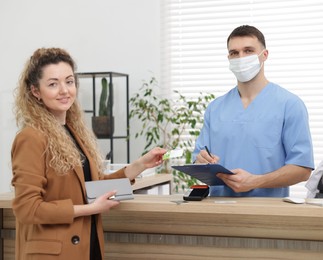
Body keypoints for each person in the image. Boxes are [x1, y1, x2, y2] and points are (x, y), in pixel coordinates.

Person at [11, 47, 167, 260]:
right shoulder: (31, 137)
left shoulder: (72, 133)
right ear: (35, 91)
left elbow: (92, 188)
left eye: (69, 81)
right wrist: (89, 209)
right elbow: (27, 209)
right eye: (53, 84)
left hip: (87, 246)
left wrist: (138, 165)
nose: (64, 90)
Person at [193, 25, 314, 197]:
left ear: (264, 55)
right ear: (229, 58)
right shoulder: (215, 108)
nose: (240, 57)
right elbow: (199, 158)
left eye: (248, 50)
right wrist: (201, 160)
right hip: (219, 211)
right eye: (234, 53)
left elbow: (303, 169)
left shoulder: (290, 105)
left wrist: (256, 181)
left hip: (266, 213)